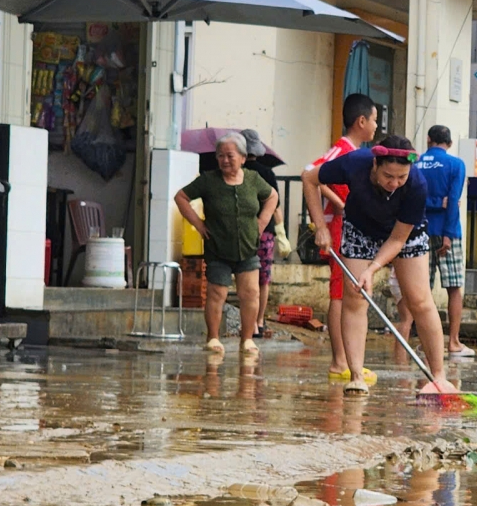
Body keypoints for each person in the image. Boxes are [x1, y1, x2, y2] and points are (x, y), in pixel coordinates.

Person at [303, 134, 448, 394]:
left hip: (404, 234)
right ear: (375, 165)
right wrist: (321, 226)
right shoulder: (354, 162)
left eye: (401, 177)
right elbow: (309, 178)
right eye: (388, 176)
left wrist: (372, 268)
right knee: (354, 296)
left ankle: (438, 378)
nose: (394, 183)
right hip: (360, 228)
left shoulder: (417, 184)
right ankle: (356, 375)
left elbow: (398, 239)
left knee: (419, 300)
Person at [175, 133, 278, 356]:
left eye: (230, 155)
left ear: (243, 157)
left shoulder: (253, 179)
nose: (225, 160)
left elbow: (272, 196)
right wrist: (198, 224)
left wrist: (262, 221)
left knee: (251, 294)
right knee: (216, 293)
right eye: (220, 155)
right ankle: (213, 337)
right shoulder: (208, 180)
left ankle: (247, 339)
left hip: (248, 247)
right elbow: (181, 197)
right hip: (218, 248)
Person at [305, 93, 379, 382]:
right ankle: (340, 361)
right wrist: (340, 204)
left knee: (347, 292)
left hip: (350, 226)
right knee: (341, 293)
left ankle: (347, 360)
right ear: (361, 121)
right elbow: (310, 173)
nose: (376, 126)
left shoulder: (353, 151)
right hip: (340, 227)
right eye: (374, 120)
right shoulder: (342, 151)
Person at [397, 125, 472, 357]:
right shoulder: (456, 164)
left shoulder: (415, 163)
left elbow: (406, 196)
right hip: (447, 230)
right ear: (449, 143)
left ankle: (422, 341)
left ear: (429, 140)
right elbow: (453, 200)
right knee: (454, 288)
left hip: (418, 229)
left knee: (420, 288)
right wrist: (448, 234)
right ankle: (453, 342)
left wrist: (433, 203)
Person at [240, 128, 291, 338]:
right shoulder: (267, 173)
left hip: (240, 231)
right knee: (263, 278)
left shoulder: (236, 172)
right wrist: (281, 234)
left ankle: (248, 322)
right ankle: (259, 321)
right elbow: (275, 204)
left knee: (244, 276)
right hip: (265, 232)